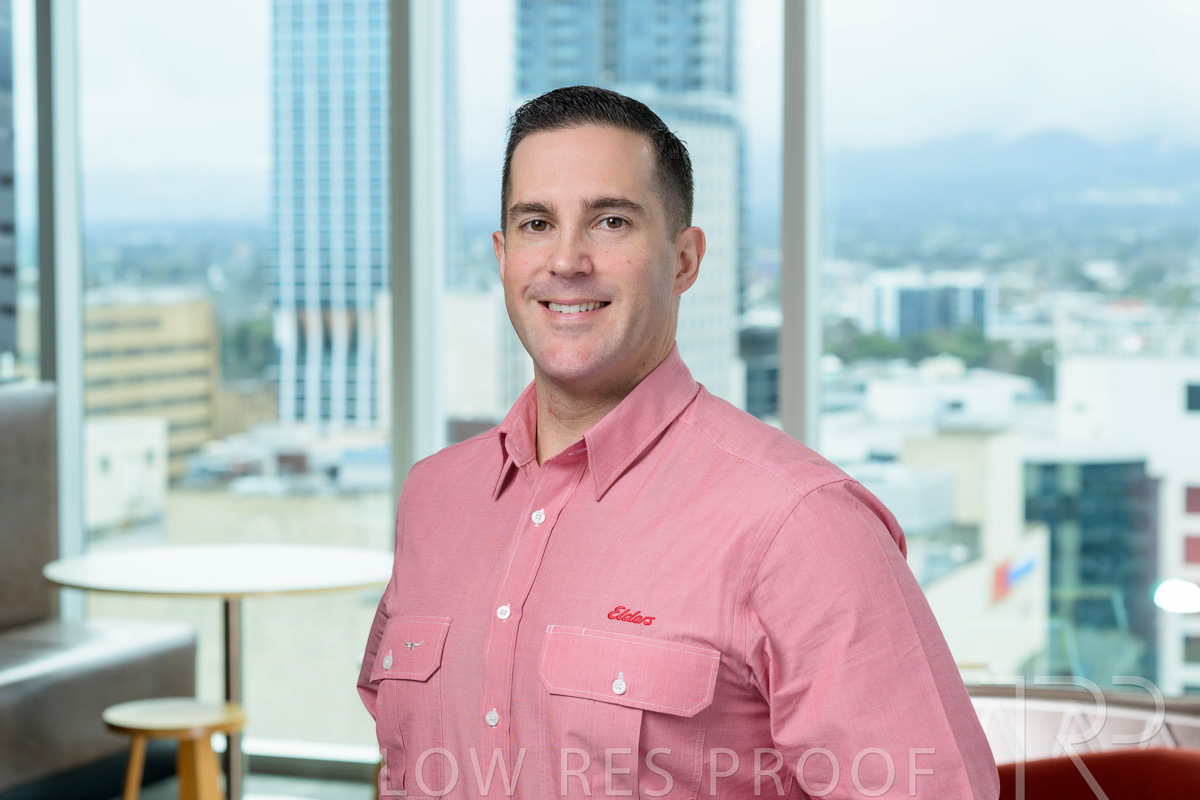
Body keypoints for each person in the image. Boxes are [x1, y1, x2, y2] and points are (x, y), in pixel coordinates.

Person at [358, 85, 999, 799]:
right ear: (503, 256)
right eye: (537, 224)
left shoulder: (801, 525)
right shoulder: (434, 499)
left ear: (685, 259)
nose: (566, 260)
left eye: (610, 222)